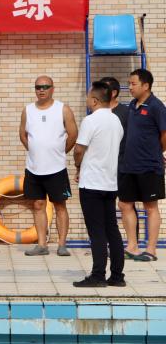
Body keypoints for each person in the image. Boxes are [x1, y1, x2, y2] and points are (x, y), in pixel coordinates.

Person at [73, 81, 126, 287]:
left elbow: (79, 149)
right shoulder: (116, 120)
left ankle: (97, 276)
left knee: (96, 231)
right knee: (112, 229)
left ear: (94, 100)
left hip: (92, 183)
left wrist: (78, 166)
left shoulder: (90, 120)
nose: (87, 100)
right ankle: (117, 276)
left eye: (88, 97)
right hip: (110, 183)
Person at [19, 75, 78, 256]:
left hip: (56, 168)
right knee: (38, 205)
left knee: (60, 205)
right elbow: (23, 134)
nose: (41, 90)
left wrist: (60, 151)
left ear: (52, 88)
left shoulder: (63, 109)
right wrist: (34, 150)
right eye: (38, 87)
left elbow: (73, 134)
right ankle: (42, 245)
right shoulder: (28, 110)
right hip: (34, 168)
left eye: (45, 87)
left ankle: (62, 244)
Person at [119, 68, 166, 261]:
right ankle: (132, 246)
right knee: (124, 204)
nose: (130, 87)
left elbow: (164, 135)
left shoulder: (156, 106)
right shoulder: (132, 105)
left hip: (149, 166)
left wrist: (157, 152)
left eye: (133, 84)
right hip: (129, 166)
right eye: (129, 83)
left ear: (145, 86)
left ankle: (151, 249)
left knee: (150, 207)